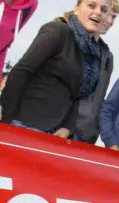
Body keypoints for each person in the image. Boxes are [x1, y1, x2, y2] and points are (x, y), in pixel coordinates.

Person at [1, 0, 108, 137]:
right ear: (76, 9)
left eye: (104, 10)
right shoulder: (57, 30)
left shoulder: (92, 51)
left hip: (55, 134)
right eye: (91, 5)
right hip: (24, 125)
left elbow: (77, 95)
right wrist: (8, 120)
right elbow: (20, 72)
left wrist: (68, 127)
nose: (98, 12)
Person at [58, 0, 119, 144]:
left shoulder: (107, 55)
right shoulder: (64, 34)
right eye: (107, 14)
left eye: (114, 17)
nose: (110, 21)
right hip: (60, 128)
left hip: (87, 135)